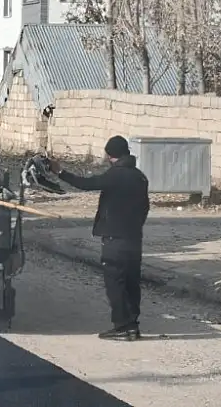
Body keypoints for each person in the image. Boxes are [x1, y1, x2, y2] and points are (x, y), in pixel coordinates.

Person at [49, 135, 150, 341]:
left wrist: (60, 171)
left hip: (115, 240)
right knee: (132, 283)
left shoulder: (115, 176)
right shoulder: (140, 177)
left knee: (115, 284)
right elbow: (145, 208)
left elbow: (86, 184)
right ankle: (132, 326)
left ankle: (122, 326)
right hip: (134, 239)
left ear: (110, 154)